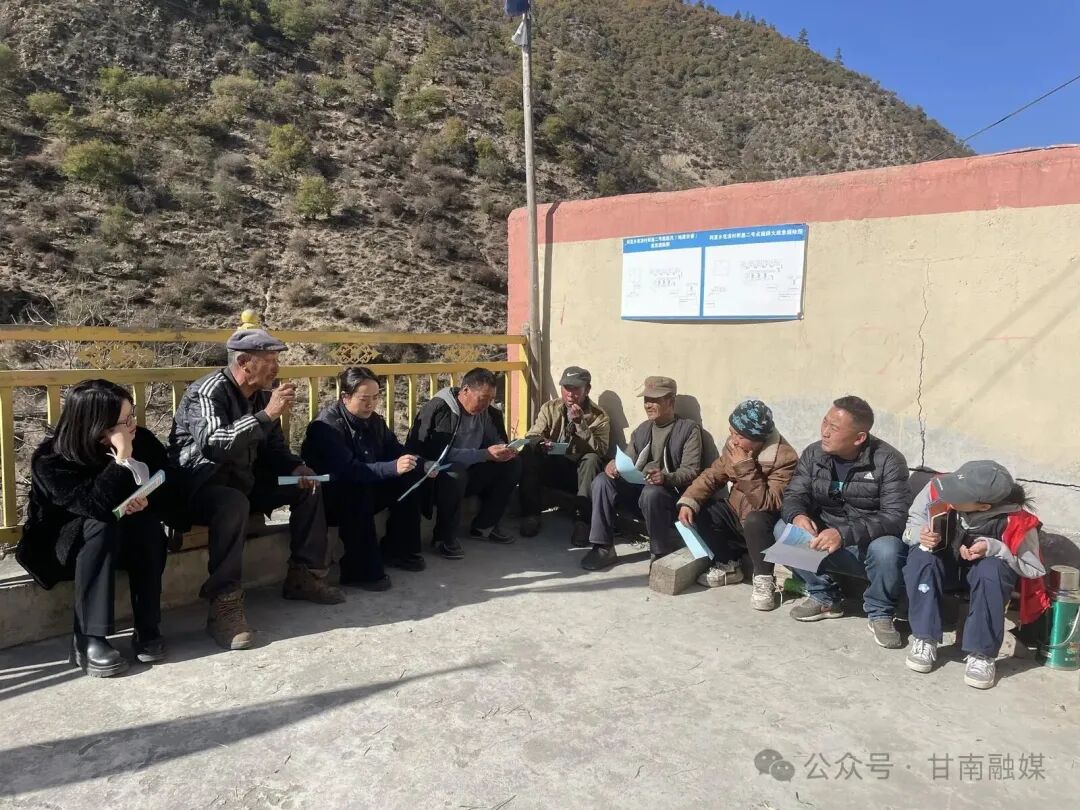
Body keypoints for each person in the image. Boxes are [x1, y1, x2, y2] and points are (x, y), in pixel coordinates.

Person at [170, 328, 344, 651]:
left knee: (309, 487)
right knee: (232, 502)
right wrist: (266, 415)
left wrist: (295, 467)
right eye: (269, 361)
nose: (276, 368)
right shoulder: (207, 392)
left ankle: (304, 576)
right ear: (243, 362)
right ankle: (224, 605)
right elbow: (214, 444)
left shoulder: (262, 395)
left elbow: (274, 449)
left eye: (277, 360)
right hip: (201, 485)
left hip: (245, 482)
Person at [17, 380, 173, 677]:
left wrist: (147, 500)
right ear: (97, 423)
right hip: (66, 546)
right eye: (124, 421)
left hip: (119, 540)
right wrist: (122, 457)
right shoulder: (51, 459)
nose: (132, 425)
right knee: (101, 523)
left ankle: (147, 626)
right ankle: (88, 637)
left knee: (148, 526)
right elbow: (94, 505)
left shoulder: (142, 440)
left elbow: (168, 480)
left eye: (132, 415)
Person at [902, 461, 1049, 689]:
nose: (948, 496)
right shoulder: (938, 488)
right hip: (944, 569)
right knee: (922, 557)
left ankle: (982, 653)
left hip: (984, 580)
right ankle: (924, 638)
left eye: (958, 496)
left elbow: (1033, 569)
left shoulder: (1017, 521)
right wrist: (919, 536)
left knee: (992, 569)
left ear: (983, 506)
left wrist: (996, 549)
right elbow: (910, 527)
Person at [780, 396, 910, 648]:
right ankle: (824, 597)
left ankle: (880, 612)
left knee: (888, 548)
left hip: (866, 545)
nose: (825, 432)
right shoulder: (814, 453)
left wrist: (842, 534)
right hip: (825, 540)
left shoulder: (888, 461)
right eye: (824, 422)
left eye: (834, 428)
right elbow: (794, 495)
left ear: (859, 438)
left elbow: (895, 516)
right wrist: (797, 515)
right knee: (782, 529)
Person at [302, 366, 430, 589]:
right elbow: (348, 471)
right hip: (332, 494)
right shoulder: (326, 427)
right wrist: (393, 467)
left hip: (366, 482)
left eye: (375, 398)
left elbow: (394, 450)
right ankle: (360, 570)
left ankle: (398, 550)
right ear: (345, 397)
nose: (371, 404)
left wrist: (422, 464)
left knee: (409, 479)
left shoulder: (374, 421)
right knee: (355, 490)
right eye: (364, 399)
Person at [677, 399, 798, 610]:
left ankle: (764, 580)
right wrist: (690, 501)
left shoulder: (784, 458)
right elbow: (713, 475)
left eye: (739, 436)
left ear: (758, 439)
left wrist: (744, 466)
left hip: (763, 525)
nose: (733, 441)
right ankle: (729, 565)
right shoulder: (734, 446)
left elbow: (767, 503)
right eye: (731, 433)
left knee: (756, 520)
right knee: (703, 511)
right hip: (736, 513)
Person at [583, 376, 702, 571]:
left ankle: (659, 553)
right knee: (602, 481)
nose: (648, 405)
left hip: (667, 499)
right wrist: (614, 465)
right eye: (646, 400)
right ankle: (603, 547)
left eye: (655, 400)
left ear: (670, 401)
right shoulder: (642, 430)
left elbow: (691, 471)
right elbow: (628, 460)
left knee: (652, 492)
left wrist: (665, 477)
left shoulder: (688, 430)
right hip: (640, 496)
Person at [405, 367, 521, 560]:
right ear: (465, 390)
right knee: (455, 472)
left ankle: (485, 526)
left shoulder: (485, 412)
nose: (486, 404)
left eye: (491, 399)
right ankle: (444, 538)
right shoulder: (442, 409)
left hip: (471, 472)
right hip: (436, 478)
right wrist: (485, 454)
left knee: (512, 464)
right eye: (483, 399)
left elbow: (494, 438)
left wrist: (504, 449)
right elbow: (439, 455)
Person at [518, 366, 610, 545]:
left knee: (592, 459)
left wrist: (581, 425)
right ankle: (530, 515)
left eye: (576, 389)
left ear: (587, 390)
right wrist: (541, 442)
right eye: (566, 388)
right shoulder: (550, 407)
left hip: (578, 475)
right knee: (528, 452)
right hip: (553, 467)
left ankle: (582, 522)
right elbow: (532, 434)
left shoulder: (600, 417)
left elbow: (601, 450)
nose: (570, 394)